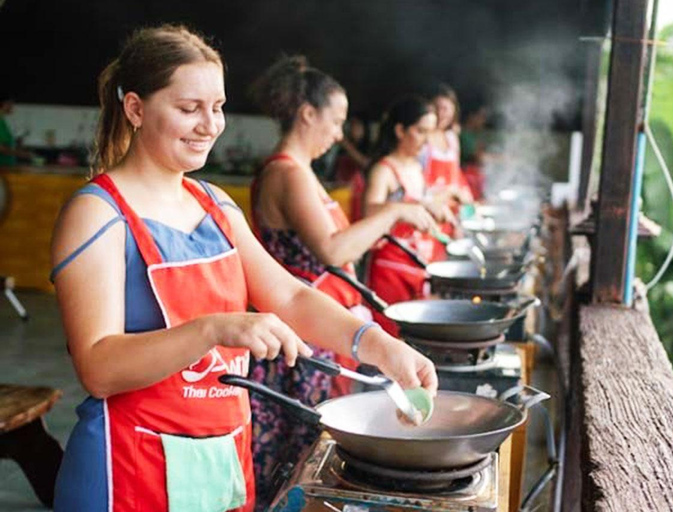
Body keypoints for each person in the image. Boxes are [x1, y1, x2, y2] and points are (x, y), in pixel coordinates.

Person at [50, 27, 437, 512]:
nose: (209, 125)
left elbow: (291, 297)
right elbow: (99, 368)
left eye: (218, 107)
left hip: (220, 457)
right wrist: (215, 328)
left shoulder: (214, 205)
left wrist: (380, 346)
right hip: (127, 468)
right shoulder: (98, 213)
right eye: (189, 108)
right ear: (135, 108)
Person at [248, 55, 437, 511]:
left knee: (307, 455)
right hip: (297, 339)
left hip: (316, 332)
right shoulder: (287, 173)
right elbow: (333, 250)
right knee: (292, 458)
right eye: (336, 121)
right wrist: (392, 212)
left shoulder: (302, 171)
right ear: (307, 113)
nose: (338, 134)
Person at [364, 96, 452, 334]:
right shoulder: (384, 169)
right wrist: (408, 206)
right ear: (400, 130)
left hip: (417, 264)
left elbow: (420, 201)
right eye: (421, 131)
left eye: (430, 132)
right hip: (390, 269)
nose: (427, 141)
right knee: (392, 335)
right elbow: (369, 211)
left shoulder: (415, 166)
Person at [422, 84, 474, 245]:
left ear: (454, 111)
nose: (441, 113)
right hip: (428, 210)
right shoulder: (421, 138)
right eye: (437, 108)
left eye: (446, 109)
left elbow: (456, 174)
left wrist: (465, 194)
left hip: (450, 212)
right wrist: (448, 192)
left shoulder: (452, 138)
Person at [0, 92, 36, 166]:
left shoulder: (3, 121)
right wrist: (23, 154)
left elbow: (6, 143)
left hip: (7, 166)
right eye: (11, 104)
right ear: (5, 104)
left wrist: (18, 142)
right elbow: (1, 149)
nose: (13, 107)